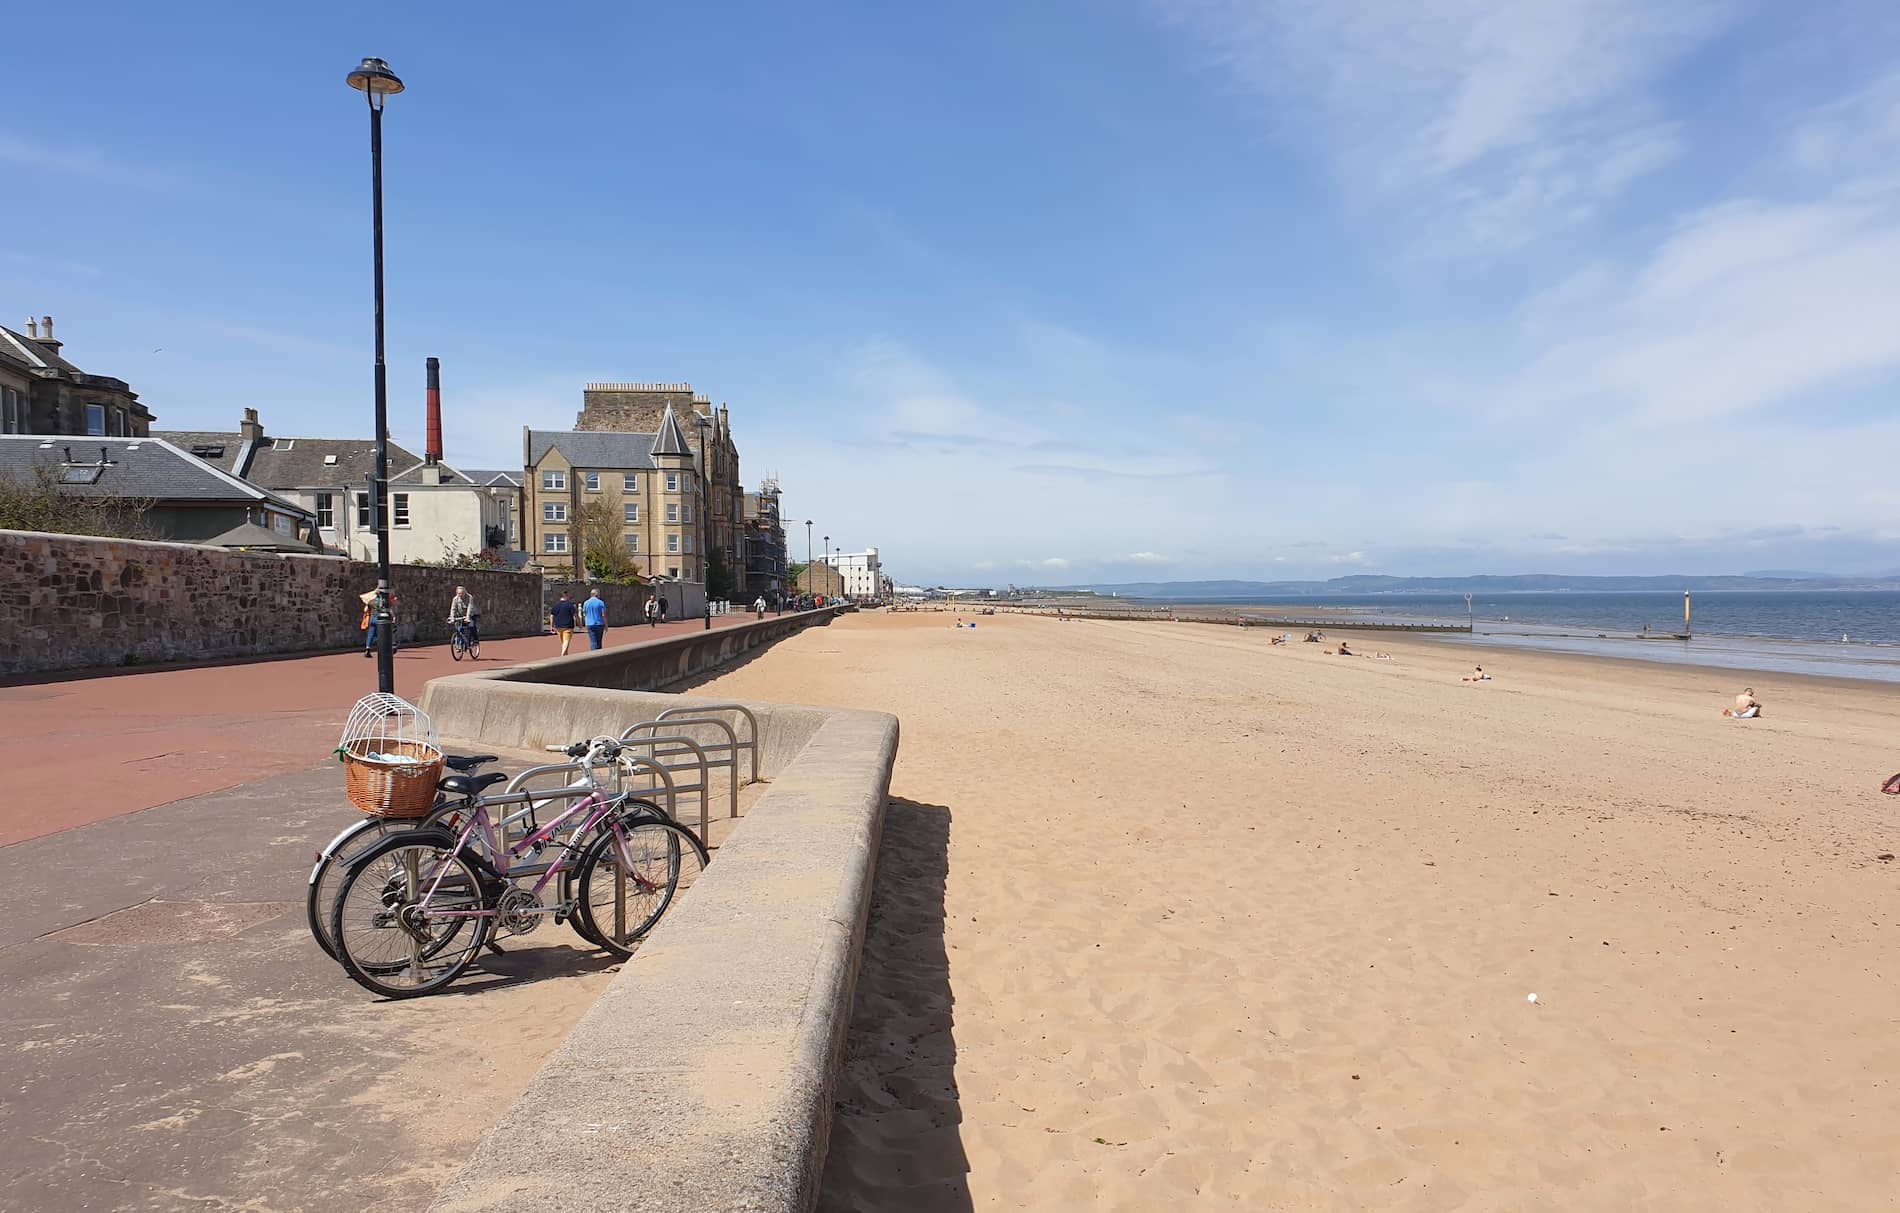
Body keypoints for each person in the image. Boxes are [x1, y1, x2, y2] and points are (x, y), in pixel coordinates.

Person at [448, 585, 479, 650]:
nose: (460, 595)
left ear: (464, 592)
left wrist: (467, 617)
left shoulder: (469, 597)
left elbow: (470, 608)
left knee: (471, 626)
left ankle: (475, 640)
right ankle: (460, 645)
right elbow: (453, 609)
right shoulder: (455, 599)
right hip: (461, 616)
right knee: (460, 629)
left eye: (462, 593)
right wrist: (452, 617)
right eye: (459, 593)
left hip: (471, 614)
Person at [549, 590, 578, 656]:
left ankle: (565, 655)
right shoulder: (570, 605)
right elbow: (575, 615)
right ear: (566, 596)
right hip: (568, 626)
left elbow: (551, 616)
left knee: (563, 642)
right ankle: (563, 654)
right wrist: (579, 624)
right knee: (566, 641)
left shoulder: (556, 606)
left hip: (558, 626)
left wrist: (552, 626)